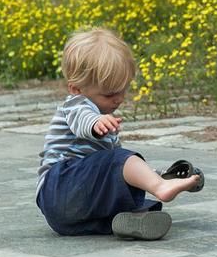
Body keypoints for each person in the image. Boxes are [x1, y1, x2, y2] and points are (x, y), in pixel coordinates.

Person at [35, 28, 203, 240]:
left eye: (124, 90)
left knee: (131, 193)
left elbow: (121, 171)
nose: (119, 99)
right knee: (121, 159)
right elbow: (82, 119)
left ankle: (129, 220)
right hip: (59, 186)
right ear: (76, 89)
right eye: (110, 94)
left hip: (66, 218)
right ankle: (160, 187)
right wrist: (96, 122)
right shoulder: (76, 105)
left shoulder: (103, 127)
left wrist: (155, 173)